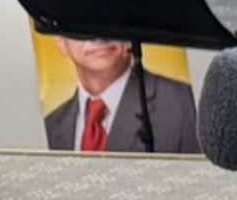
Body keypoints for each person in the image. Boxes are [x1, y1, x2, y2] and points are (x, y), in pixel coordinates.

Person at [44, 36, 199, 155]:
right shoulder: (50, 126)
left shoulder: (186, 104)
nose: (98, 35)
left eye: (110, 17)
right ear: (60, 41)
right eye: (81, 21)